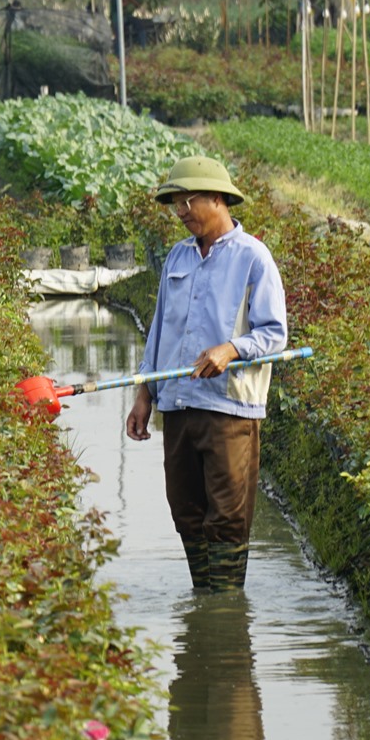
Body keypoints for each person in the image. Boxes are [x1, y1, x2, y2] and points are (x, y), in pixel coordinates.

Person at [125, 156, 287, 592]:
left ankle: (226, 606)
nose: (180, 213)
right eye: (175, 205)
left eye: (187, 202)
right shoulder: (178, 257)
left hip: (229, 408)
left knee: (228, 515)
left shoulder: (253, 258)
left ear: (217, 199)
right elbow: (159, 329)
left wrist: (232, 348)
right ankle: (204, 596)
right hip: (177, 404)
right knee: (186, 509)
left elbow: (275, 334)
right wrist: (145, 393)